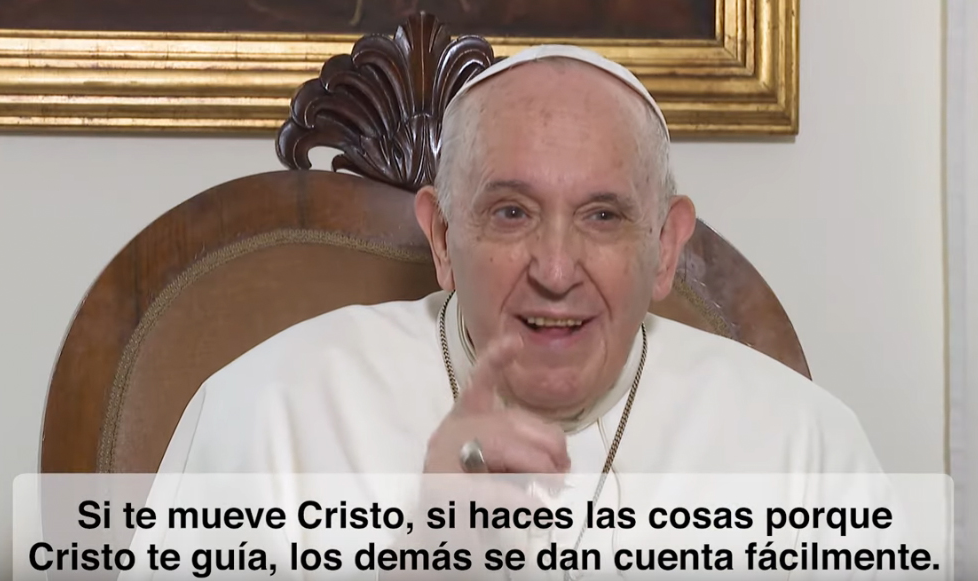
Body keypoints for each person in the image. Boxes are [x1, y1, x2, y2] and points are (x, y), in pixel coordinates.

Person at [131, 45, 904, 580]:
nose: (555, 270)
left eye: (602, 216)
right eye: (510, 213)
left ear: (666, 248)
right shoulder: (272, 413)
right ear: (442, 237)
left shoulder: (801, 447)